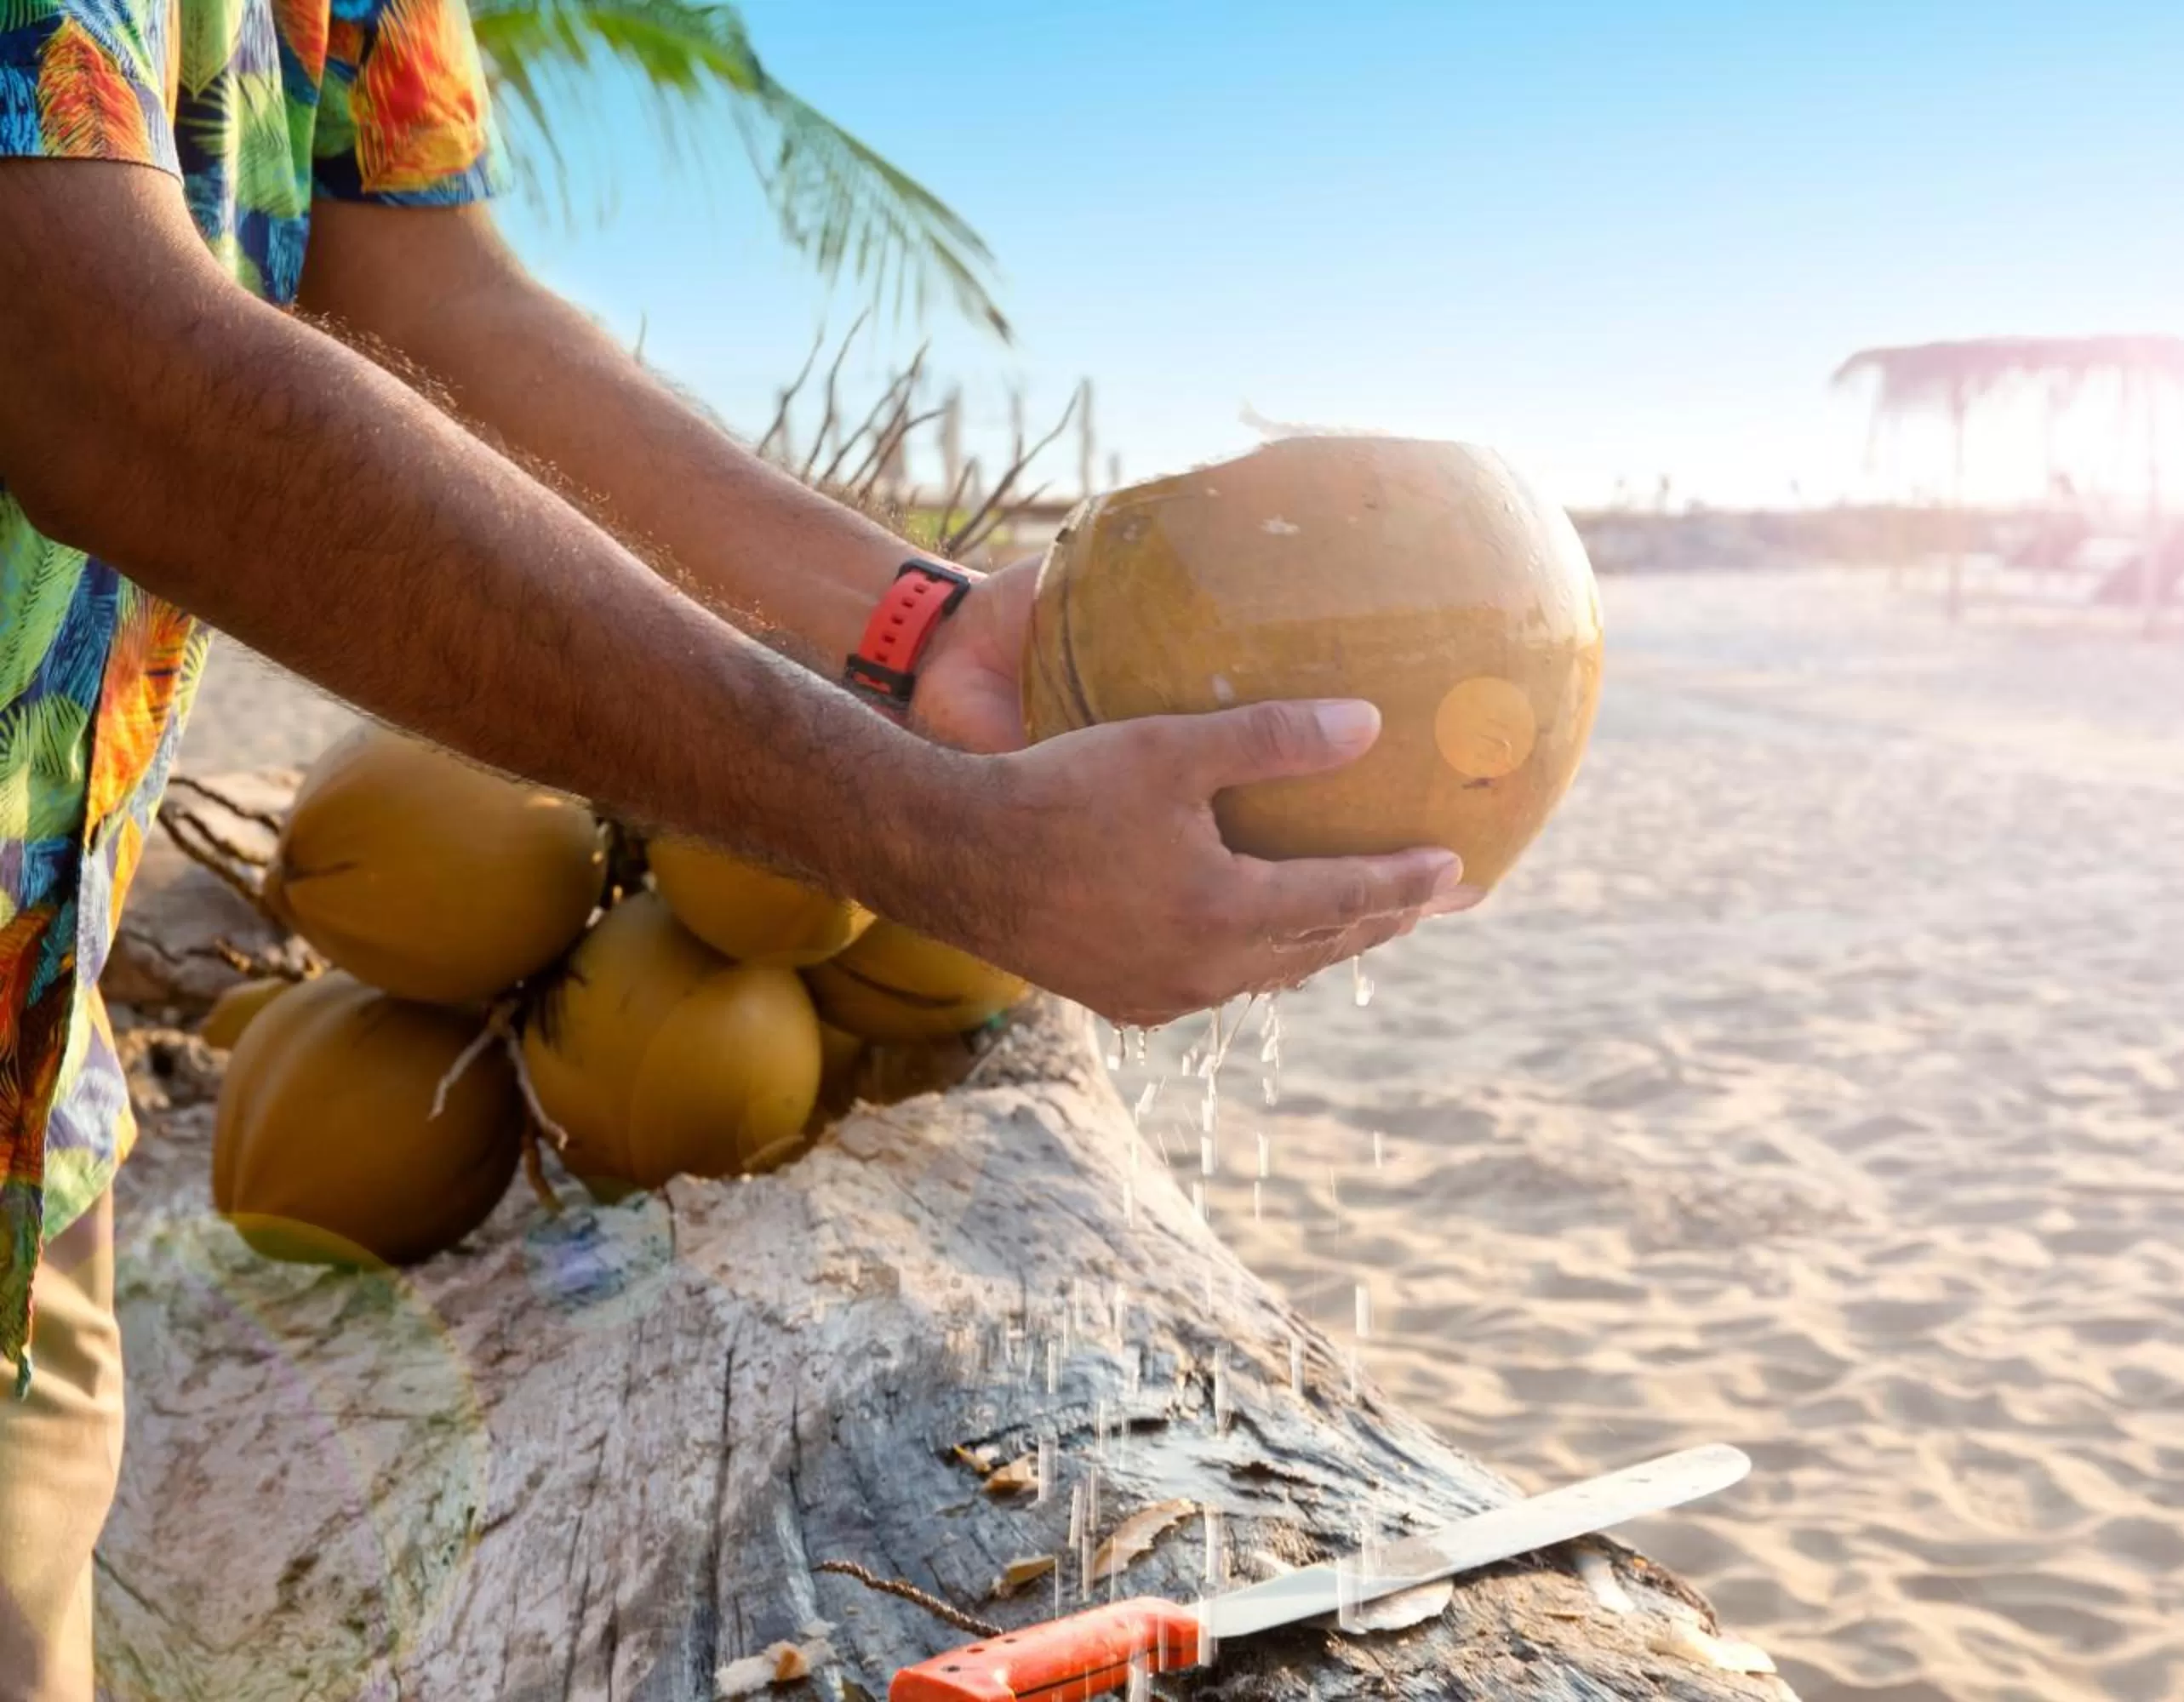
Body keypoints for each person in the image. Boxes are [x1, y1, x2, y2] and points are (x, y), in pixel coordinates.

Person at [0, 3, 1478, 1693]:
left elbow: (429, 285)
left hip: (39, 1117)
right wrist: (937, 838)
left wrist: (916, 631)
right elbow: (91, 356)